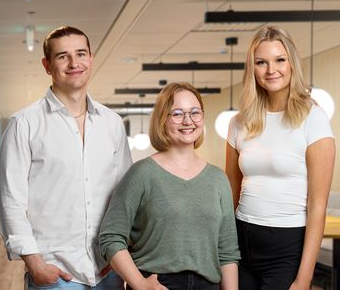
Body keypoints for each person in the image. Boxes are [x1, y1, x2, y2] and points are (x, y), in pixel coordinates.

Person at [0, 26, 132, 289]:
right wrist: (35, 265)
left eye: (81, 53)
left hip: (109, 270)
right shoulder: (24, 124)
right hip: (55, 274)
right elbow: (11, 202)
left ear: (91, 59)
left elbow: (124, 197)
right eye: (62, 56)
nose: (74, 63)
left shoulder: (112, 124)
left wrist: (122, 253)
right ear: (47, 65)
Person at [97, 82, 241, 290]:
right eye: (177, 114)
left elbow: (227, 252)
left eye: (194, 112)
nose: (187, 121)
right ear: (162, 120)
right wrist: (140, 283)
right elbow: (111, 237)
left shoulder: (218, 179)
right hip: (156, 284)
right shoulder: (142, 174)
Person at [225, 26, 336, 289]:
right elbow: (230, 193)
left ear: (292, 64)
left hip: (287, 249)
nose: (270, 69)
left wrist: (304, 279)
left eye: (279, 60)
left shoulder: (314, 118)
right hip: (242, 241)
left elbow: (317, 207)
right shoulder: (239, 122)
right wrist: (224, 252)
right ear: (252, 68)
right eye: (261, 62)